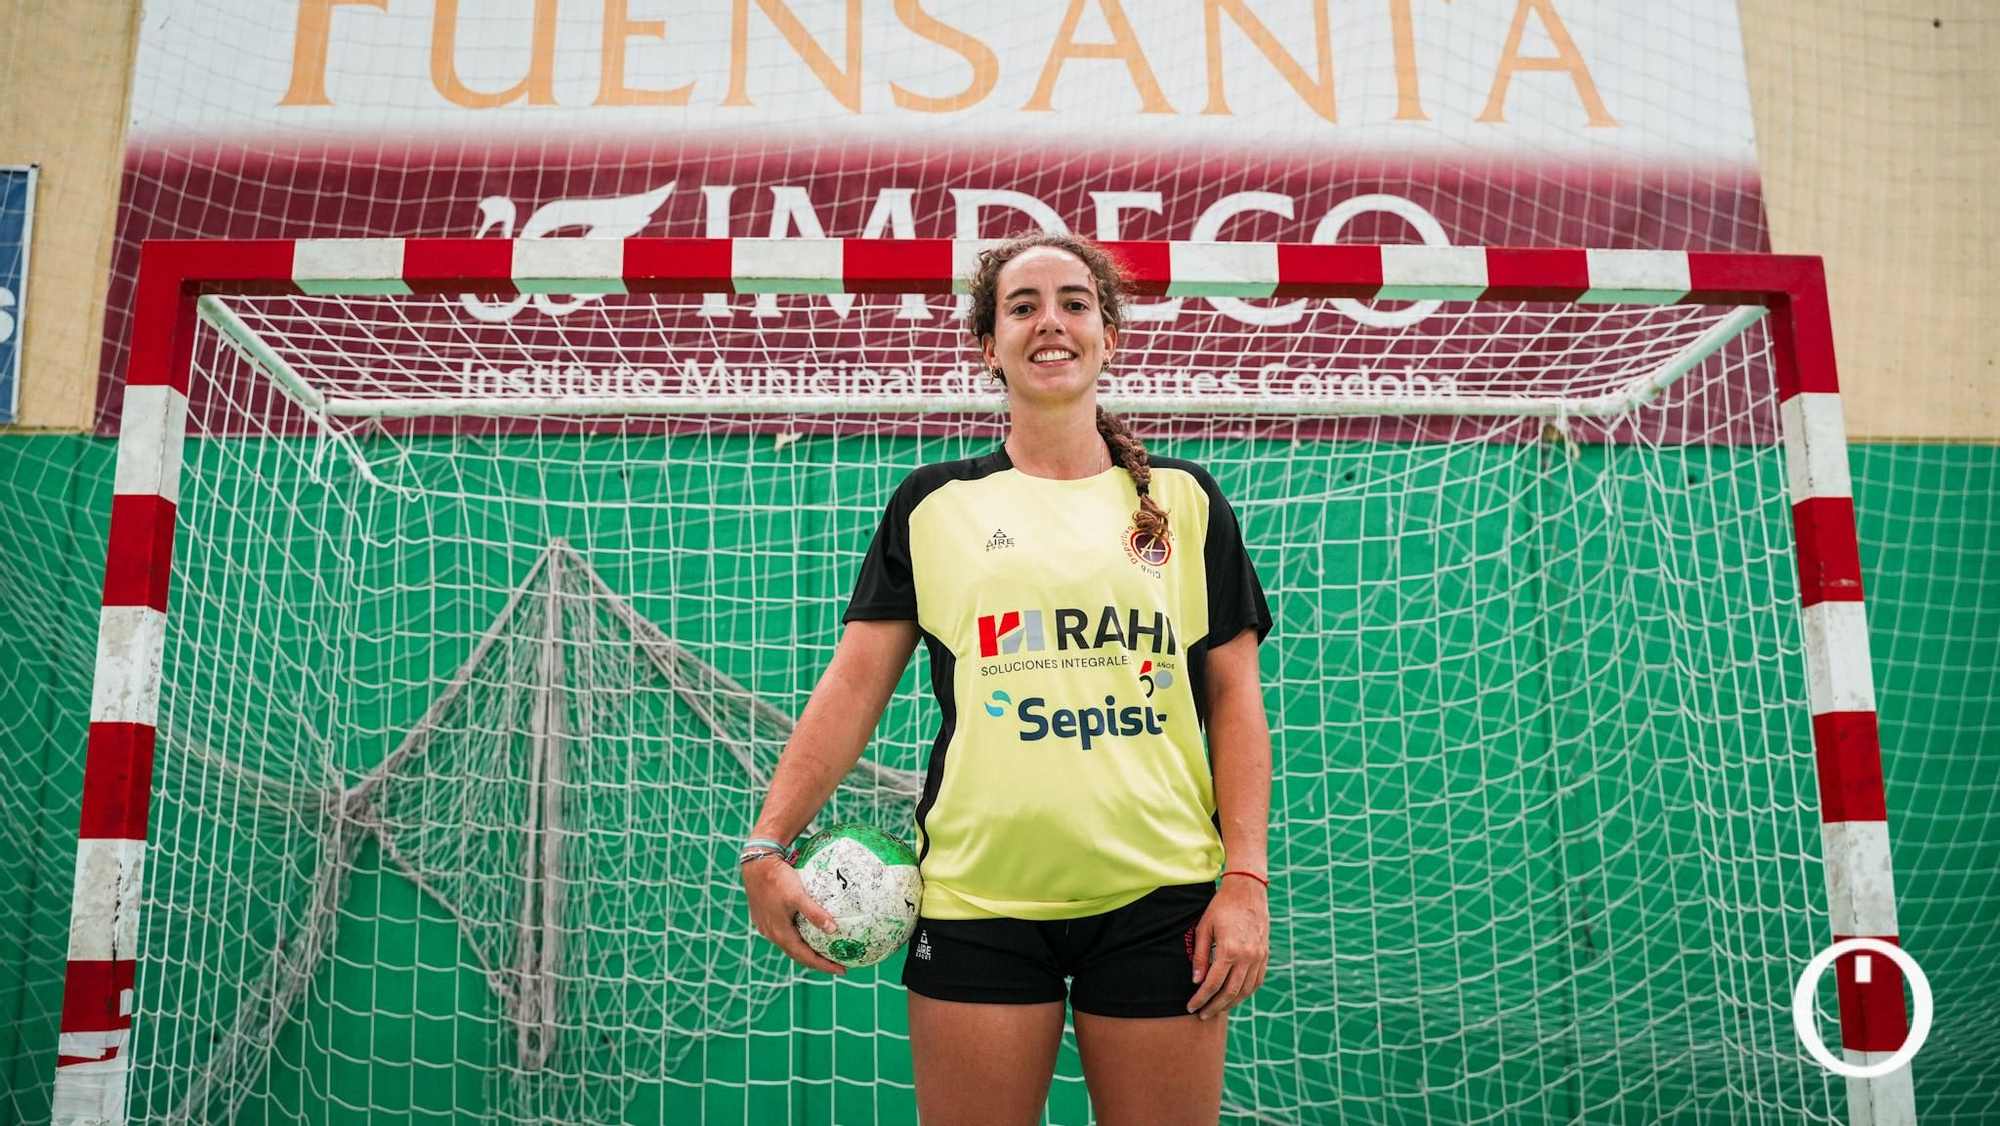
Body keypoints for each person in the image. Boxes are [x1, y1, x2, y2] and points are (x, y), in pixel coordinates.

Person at [740, 232, 1274, 1126]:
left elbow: (1235, 701)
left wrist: (1247, 880)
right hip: (977, 902)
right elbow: (855, 685)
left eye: (1074, 302)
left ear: (1109, 333)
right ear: (989, 344)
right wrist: (766, 843)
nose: (1049, 323)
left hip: (1162, 899)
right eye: (1021, 307)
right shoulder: (934, 503)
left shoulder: (1185, 501)